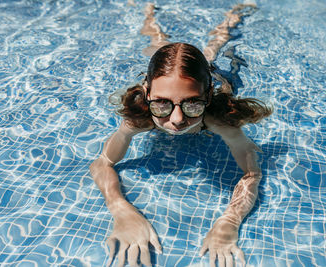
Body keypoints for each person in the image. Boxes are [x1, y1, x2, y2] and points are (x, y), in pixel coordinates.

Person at [90, 4, 272, 267]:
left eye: (193, 104)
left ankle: (235, 15)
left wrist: (229, 222)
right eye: (161, 103)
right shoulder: (140, 117)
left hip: (212, 77)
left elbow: (252, 173)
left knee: (214, 49)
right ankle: (148, 11)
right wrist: (121, 210)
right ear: (147, 93)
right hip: (181, 80)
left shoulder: (217, 120)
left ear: (207, 97)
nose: (176, 120)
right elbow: (102, 163)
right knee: (157, 43)